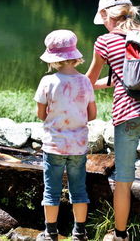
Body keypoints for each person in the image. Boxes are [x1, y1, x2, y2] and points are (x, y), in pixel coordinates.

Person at [86, 0, 140, 241]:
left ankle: (120, 235)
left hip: (127, 115)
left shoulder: (106, 41)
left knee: (123, 180)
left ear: (105, 15)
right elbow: (130, 74)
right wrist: (105, 83)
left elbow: (87, 80)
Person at [34, 29, 97, 241]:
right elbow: (92, 114)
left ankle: (50, 232)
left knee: (51, 191)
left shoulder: (47, 82)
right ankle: (80, 232)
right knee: (79, 190)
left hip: (54, 145)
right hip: (78, 146)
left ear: (53, 59)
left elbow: (41, 114)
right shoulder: (85, 82)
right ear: (74, 56)